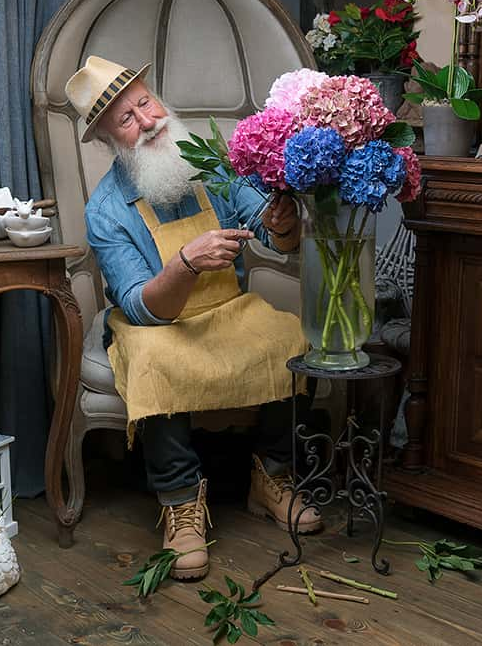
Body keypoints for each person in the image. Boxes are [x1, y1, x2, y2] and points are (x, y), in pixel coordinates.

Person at [65, 56, 320, 580]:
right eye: (126, 119)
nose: (147, 120)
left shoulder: (213, 164)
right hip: (157, 324)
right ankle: (181, 506)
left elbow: (274, 236)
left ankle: (269, 477)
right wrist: (185, 264)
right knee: (154, 362)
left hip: (227, 307)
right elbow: (137, 304)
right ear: (112, 139)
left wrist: (284, 218)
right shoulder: (106, 209)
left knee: (290, 337)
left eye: (145, 103)